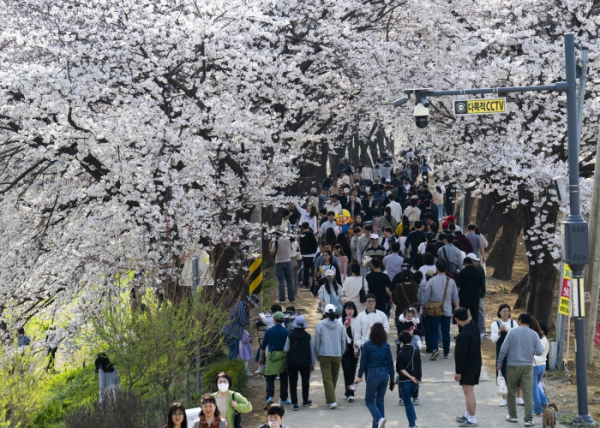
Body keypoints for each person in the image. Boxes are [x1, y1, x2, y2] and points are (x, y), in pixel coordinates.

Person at [497, 313, 544, 426]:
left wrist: (499, 362)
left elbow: (503, 349)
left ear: (519, 321)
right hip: (527, 366)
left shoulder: (512, 332)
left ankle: (513, 416)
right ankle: (528, 419)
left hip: (512, 365)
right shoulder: (534, 334)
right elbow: (540, 352)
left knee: (512, 391)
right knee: (527, 393)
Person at [355, 322, 395, 428]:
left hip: (372, 373)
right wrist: (392, 379)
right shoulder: (386, 345)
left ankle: (379, 419)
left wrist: (359, 375)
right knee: (380, 401)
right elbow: (390, 363)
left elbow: (363, 363)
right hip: (385, 374)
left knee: (369, 400)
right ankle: (379, 425)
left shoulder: (367, 345)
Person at [423, 259, 459, 360]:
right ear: (446, 268)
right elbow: (455, 297)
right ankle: (446, 352)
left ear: (436, 268)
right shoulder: (451, 281)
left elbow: (427, 297)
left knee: (433, 331)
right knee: (445, 332)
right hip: (447, 310)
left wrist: (424, 308)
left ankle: (435, 349)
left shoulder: (431, 281)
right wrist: (457, 310)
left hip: (434, 310)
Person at [454, 307, 482, 428]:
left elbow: (461, 356)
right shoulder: (474, 327)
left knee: (468, 392)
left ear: (457, 319)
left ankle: (472, 418)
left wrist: (458, 372)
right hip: (476, 363)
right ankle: (468, 414)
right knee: (469, 392)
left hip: (468, 367)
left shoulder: (464, 335)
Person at [314, 304, 346, 409]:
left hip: (325, 354)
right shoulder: (340, 325)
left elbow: (317, 341)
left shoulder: (320, 325)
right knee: (333, 377)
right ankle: (331, 398)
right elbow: (343, 340)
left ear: (325, 313)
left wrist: (317, 354)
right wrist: (341, 352)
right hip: (337, 354)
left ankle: (332, 400)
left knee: (327, 379)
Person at [491, 303, 522, 407]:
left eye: (507, 311)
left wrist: (507, 330)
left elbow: (517, 337)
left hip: (513, 352)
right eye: (504, 311)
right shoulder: (495, 324)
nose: (506, 313)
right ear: (499, 312)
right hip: (501, 353)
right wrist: (499, 332)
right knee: (502, 373)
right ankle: (504, 398)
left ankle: (518, 397)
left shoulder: (513, 323)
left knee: (517, 374)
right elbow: (493, 339)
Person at [260, 312, 291, 409]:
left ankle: (269, 397)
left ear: (274, 320)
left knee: (269, 379)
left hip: (271, 357)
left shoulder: (269, 331)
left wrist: (261, 358)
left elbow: (263, 346)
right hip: (283, 357)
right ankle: (284, 399)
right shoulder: (287, 332)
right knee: (283, 379)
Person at [284, 315, 315, 411]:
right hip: (305, 363)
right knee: (305, 382)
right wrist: (312, 364)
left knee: (293, 382)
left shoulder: (290, 335)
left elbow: (286, 349)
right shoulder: (308, 336)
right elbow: (311, 351)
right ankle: (305, 400)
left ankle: (295, 404)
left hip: (292, 362)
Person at [396, 331, 422, 428]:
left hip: (405, 381)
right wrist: (417, 378)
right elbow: (419, 366)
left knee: (407, 403)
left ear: (401, 341)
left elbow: (401, 369)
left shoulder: (401, 353)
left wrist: (410, 377)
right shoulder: (416, 351)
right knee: (410, 402)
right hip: (416, 380)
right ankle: (413, 419)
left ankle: (412, 424)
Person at [456, 257, 484, 333]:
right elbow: (481, 284)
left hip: (464, 298)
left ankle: (461, 331)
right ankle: (475, 332)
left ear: (465, 264)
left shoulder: (462, 272)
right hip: (475, 298)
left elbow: (458, 286)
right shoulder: (479, 273)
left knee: (462, 315)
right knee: (475, 316)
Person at [529, 317, 549, 416]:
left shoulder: (532, 337)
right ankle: (544, 400)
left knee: (533, 388)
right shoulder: (544, 337)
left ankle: (537, 409)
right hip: (543, 365)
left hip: (534, 365)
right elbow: (546, 351)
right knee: (535, 386)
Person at [341, 301, 360, 402]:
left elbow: (358, 335)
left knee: (352, 370)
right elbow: (340, 335)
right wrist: (345, 326)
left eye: (351, 309)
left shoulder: (357, 320)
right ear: (344, 310)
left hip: (355, 346)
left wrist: (357, 349)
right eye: (347, 309)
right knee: (346, 369)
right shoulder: (340, 320)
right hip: (344, 348)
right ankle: (350, 393)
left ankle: (349, 391)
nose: (349, 311)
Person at [270, 232, 295, 303]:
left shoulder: (276, 242)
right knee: (290, 280)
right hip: (288, 261)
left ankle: (282, 298)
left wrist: (270, 245)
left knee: (281, 281)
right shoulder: (288, 240)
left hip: (279, 262)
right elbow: (290, 249)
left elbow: (272, 253)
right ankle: (292, 298)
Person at [299, 222, 318, 290]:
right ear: (309, 227)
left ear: (302, 227)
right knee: (313, 269)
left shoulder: (301, 235)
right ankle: (313, 283)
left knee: (305, 270)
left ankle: (305, 284)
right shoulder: (310, 234)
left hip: (304, 255)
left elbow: (300, 245)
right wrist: (315, 250)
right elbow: (314, 244)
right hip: (312, 254)